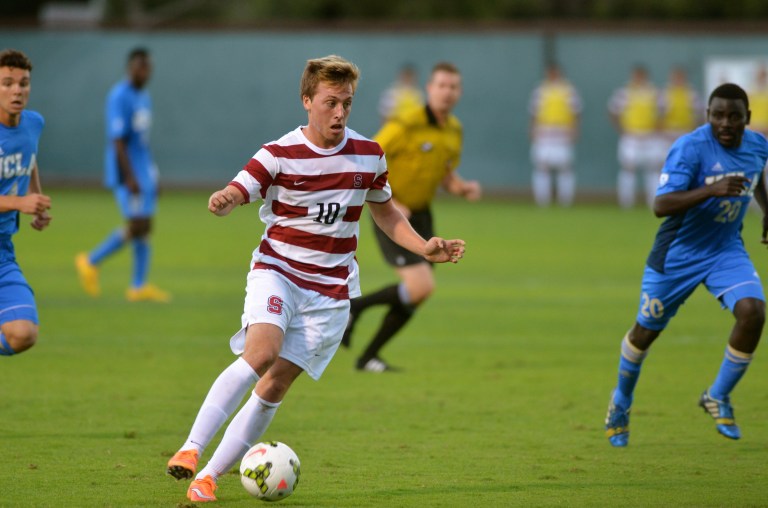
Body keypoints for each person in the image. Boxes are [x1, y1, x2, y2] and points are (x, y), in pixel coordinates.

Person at [165, 55, 466, 502]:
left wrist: (423, 246)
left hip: (331, 292)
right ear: (307, 101)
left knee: (277, 383)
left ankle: (207, 476)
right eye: (330, 102)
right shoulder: (279, 153)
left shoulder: (368, 154)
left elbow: (384, 211)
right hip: (278, 271)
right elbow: (241, 187)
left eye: (346, 103)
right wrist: (227, 198)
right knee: (262, 351)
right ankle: (191, 448)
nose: (340, 113)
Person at [604, 83, 768, 447]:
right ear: (708, 116)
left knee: (754, 311)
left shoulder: (758, 144)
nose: (725, 123)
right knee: (644, 334)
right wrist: (711, 189)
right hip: (678, 254)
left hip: (726, 249)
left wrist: (766, 209)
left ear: (747, 119)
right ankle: (621, 401)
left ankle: (717, 395)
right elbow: (660, 206)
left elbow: (757, 173)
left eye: (733, 117)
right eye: (717, 115)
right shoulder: (691, 148)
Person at [341, 62, 481, 373]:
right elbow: (368, 155)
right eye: (441, 85)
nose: (447, 92)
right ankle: (354, 308)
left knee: (416, 295)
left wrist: (461, 188)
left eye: (453, 87)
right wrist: (395, 200)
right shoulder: (406, 123)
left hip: (423, 215)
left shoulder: (453, 130)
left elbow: (444, 173)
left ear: (459, 92)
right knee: (421, 288)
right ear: (429, 89)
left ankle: (368, 356)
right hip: (391, 214)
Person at [75, 47, 170, 302]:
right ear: (130, 68)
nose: (145, 71)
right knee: (139, 225)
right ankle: (90, 260)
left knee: (145, 226)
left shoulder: (144, 96)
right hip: (129, 173)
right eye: (140, 66)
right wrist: (130, 177)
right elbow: (117, 141)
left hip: (143, 170)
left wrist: (153, 173)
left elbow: (143, 141)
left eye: (148, 67)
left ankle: (138, 286)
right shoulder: (119, 96)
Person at [0, 49, 52, 356]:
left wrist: (36, 200)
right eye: (7, 83)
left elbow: (29, 158)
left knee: (23, 334)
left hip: (3, 250)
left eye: (23, 83)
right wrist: (20, 202)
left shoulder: (34, 123)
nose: (16, 90)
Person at [528, 62, 582, 207]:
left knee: (565, 168)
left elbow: (576, 112)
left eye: (555, 72)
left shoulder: (569, 90)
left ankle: (565, 202)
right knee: (542, 167)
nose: (552, 75)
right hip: (544, 132)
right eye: (550, 72)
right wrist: (532, 130)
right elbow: (533, 113)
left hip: (562, 133)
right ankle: (542, 202)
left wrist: (575, 130)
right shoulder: (540, 90)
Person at [608, 65, 662, 208]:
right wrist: (622, 129)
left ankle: (654, 203)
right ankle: (626, 203)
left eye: (641, 76)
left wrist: (657, 128)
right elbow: (613, 111)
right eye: (636, 76)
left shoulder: (654, 92)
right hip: (631, 136)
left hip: (650, 136)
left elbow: (663, 112)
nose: (638, 78)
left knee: (652, 169)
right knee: (628, 168)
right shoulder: (624, 92)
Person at [658, 66, 702, 160]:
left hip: (685, 132)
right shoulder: (665, 93)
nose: (678, 80)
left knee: (686, 159)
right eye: (676, 77)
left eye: (680, 77)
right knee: (665, 160)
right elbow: (658, 114)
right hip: (668, 134)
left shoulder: (691, 93)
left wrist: (693, 130)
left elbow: (699, 113)